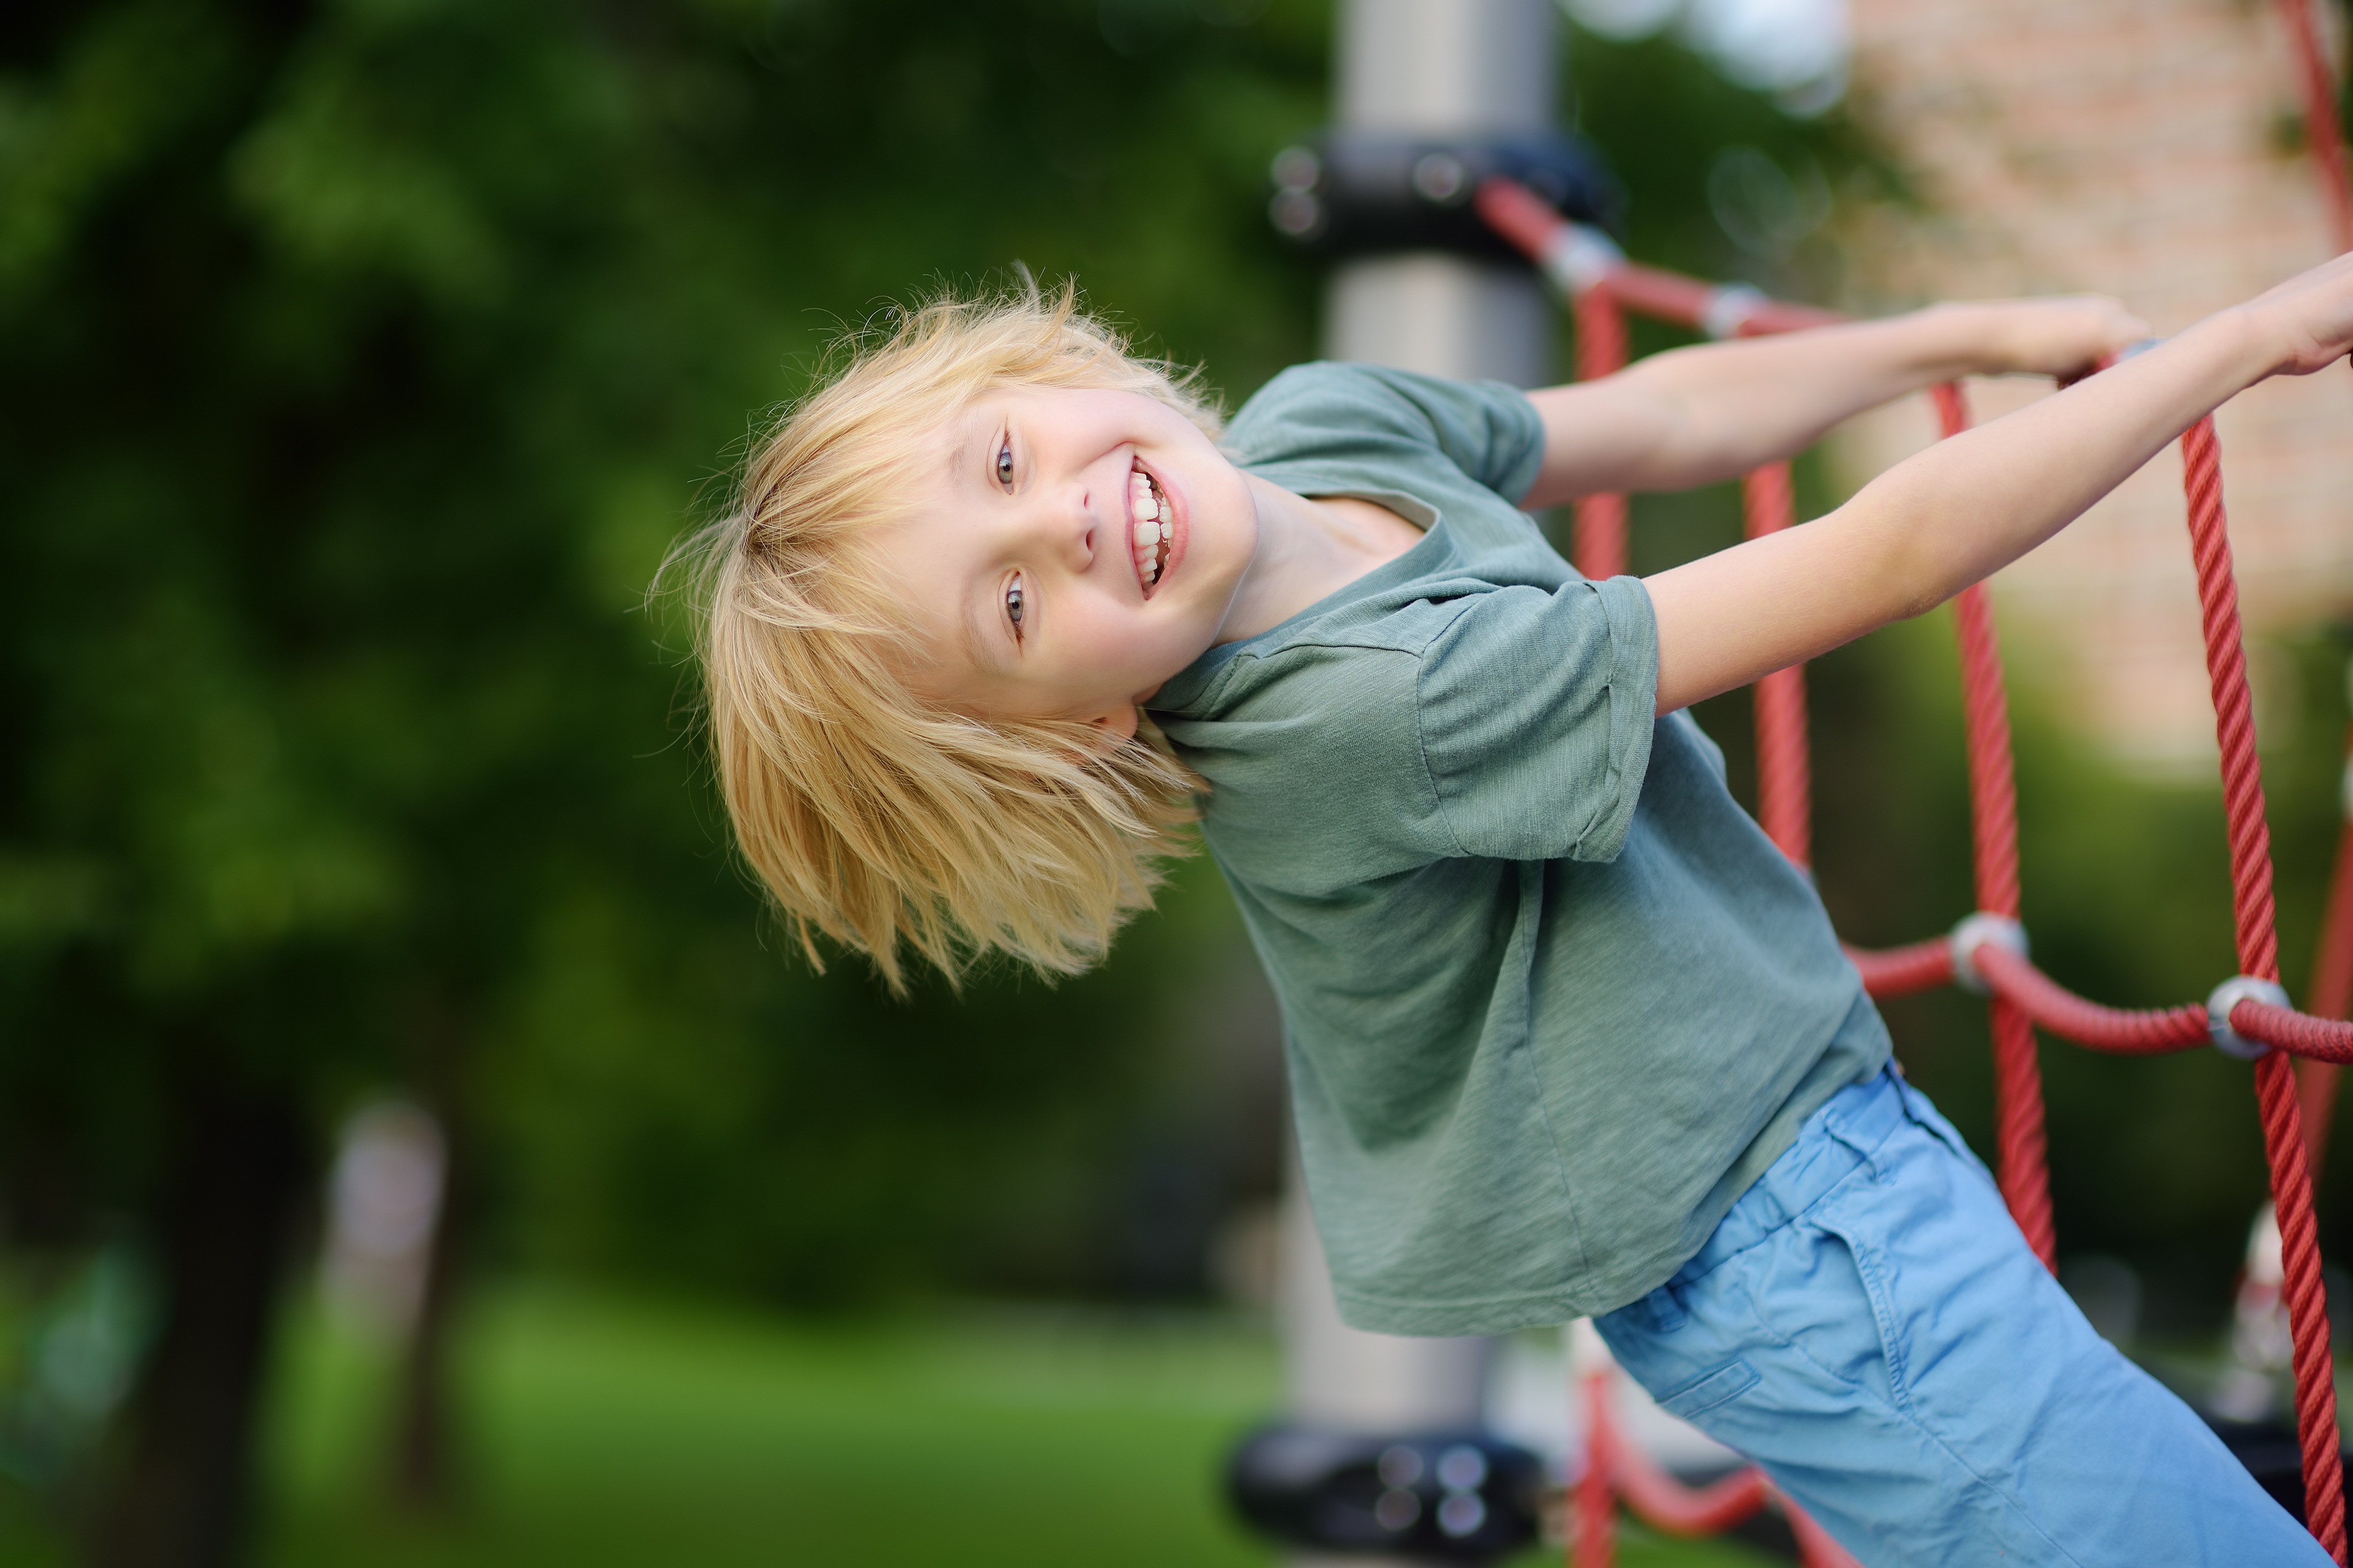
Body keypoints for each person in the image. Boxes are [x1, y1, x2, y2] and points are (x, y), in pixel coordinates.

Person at [686, 252, 2353, 1564]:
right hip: (1777, 1249)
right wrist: (2240, 342)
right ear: (1080, 724)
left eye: (1001, 462)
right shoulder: (1358, 715)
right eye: (1014, 608)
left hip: (1817, 1142)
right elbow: (1885, 557)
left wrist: (1968, 329)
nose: (1065, 520)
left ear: (1044, 373)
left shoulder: (1319, 429)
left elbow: (1672, 416)